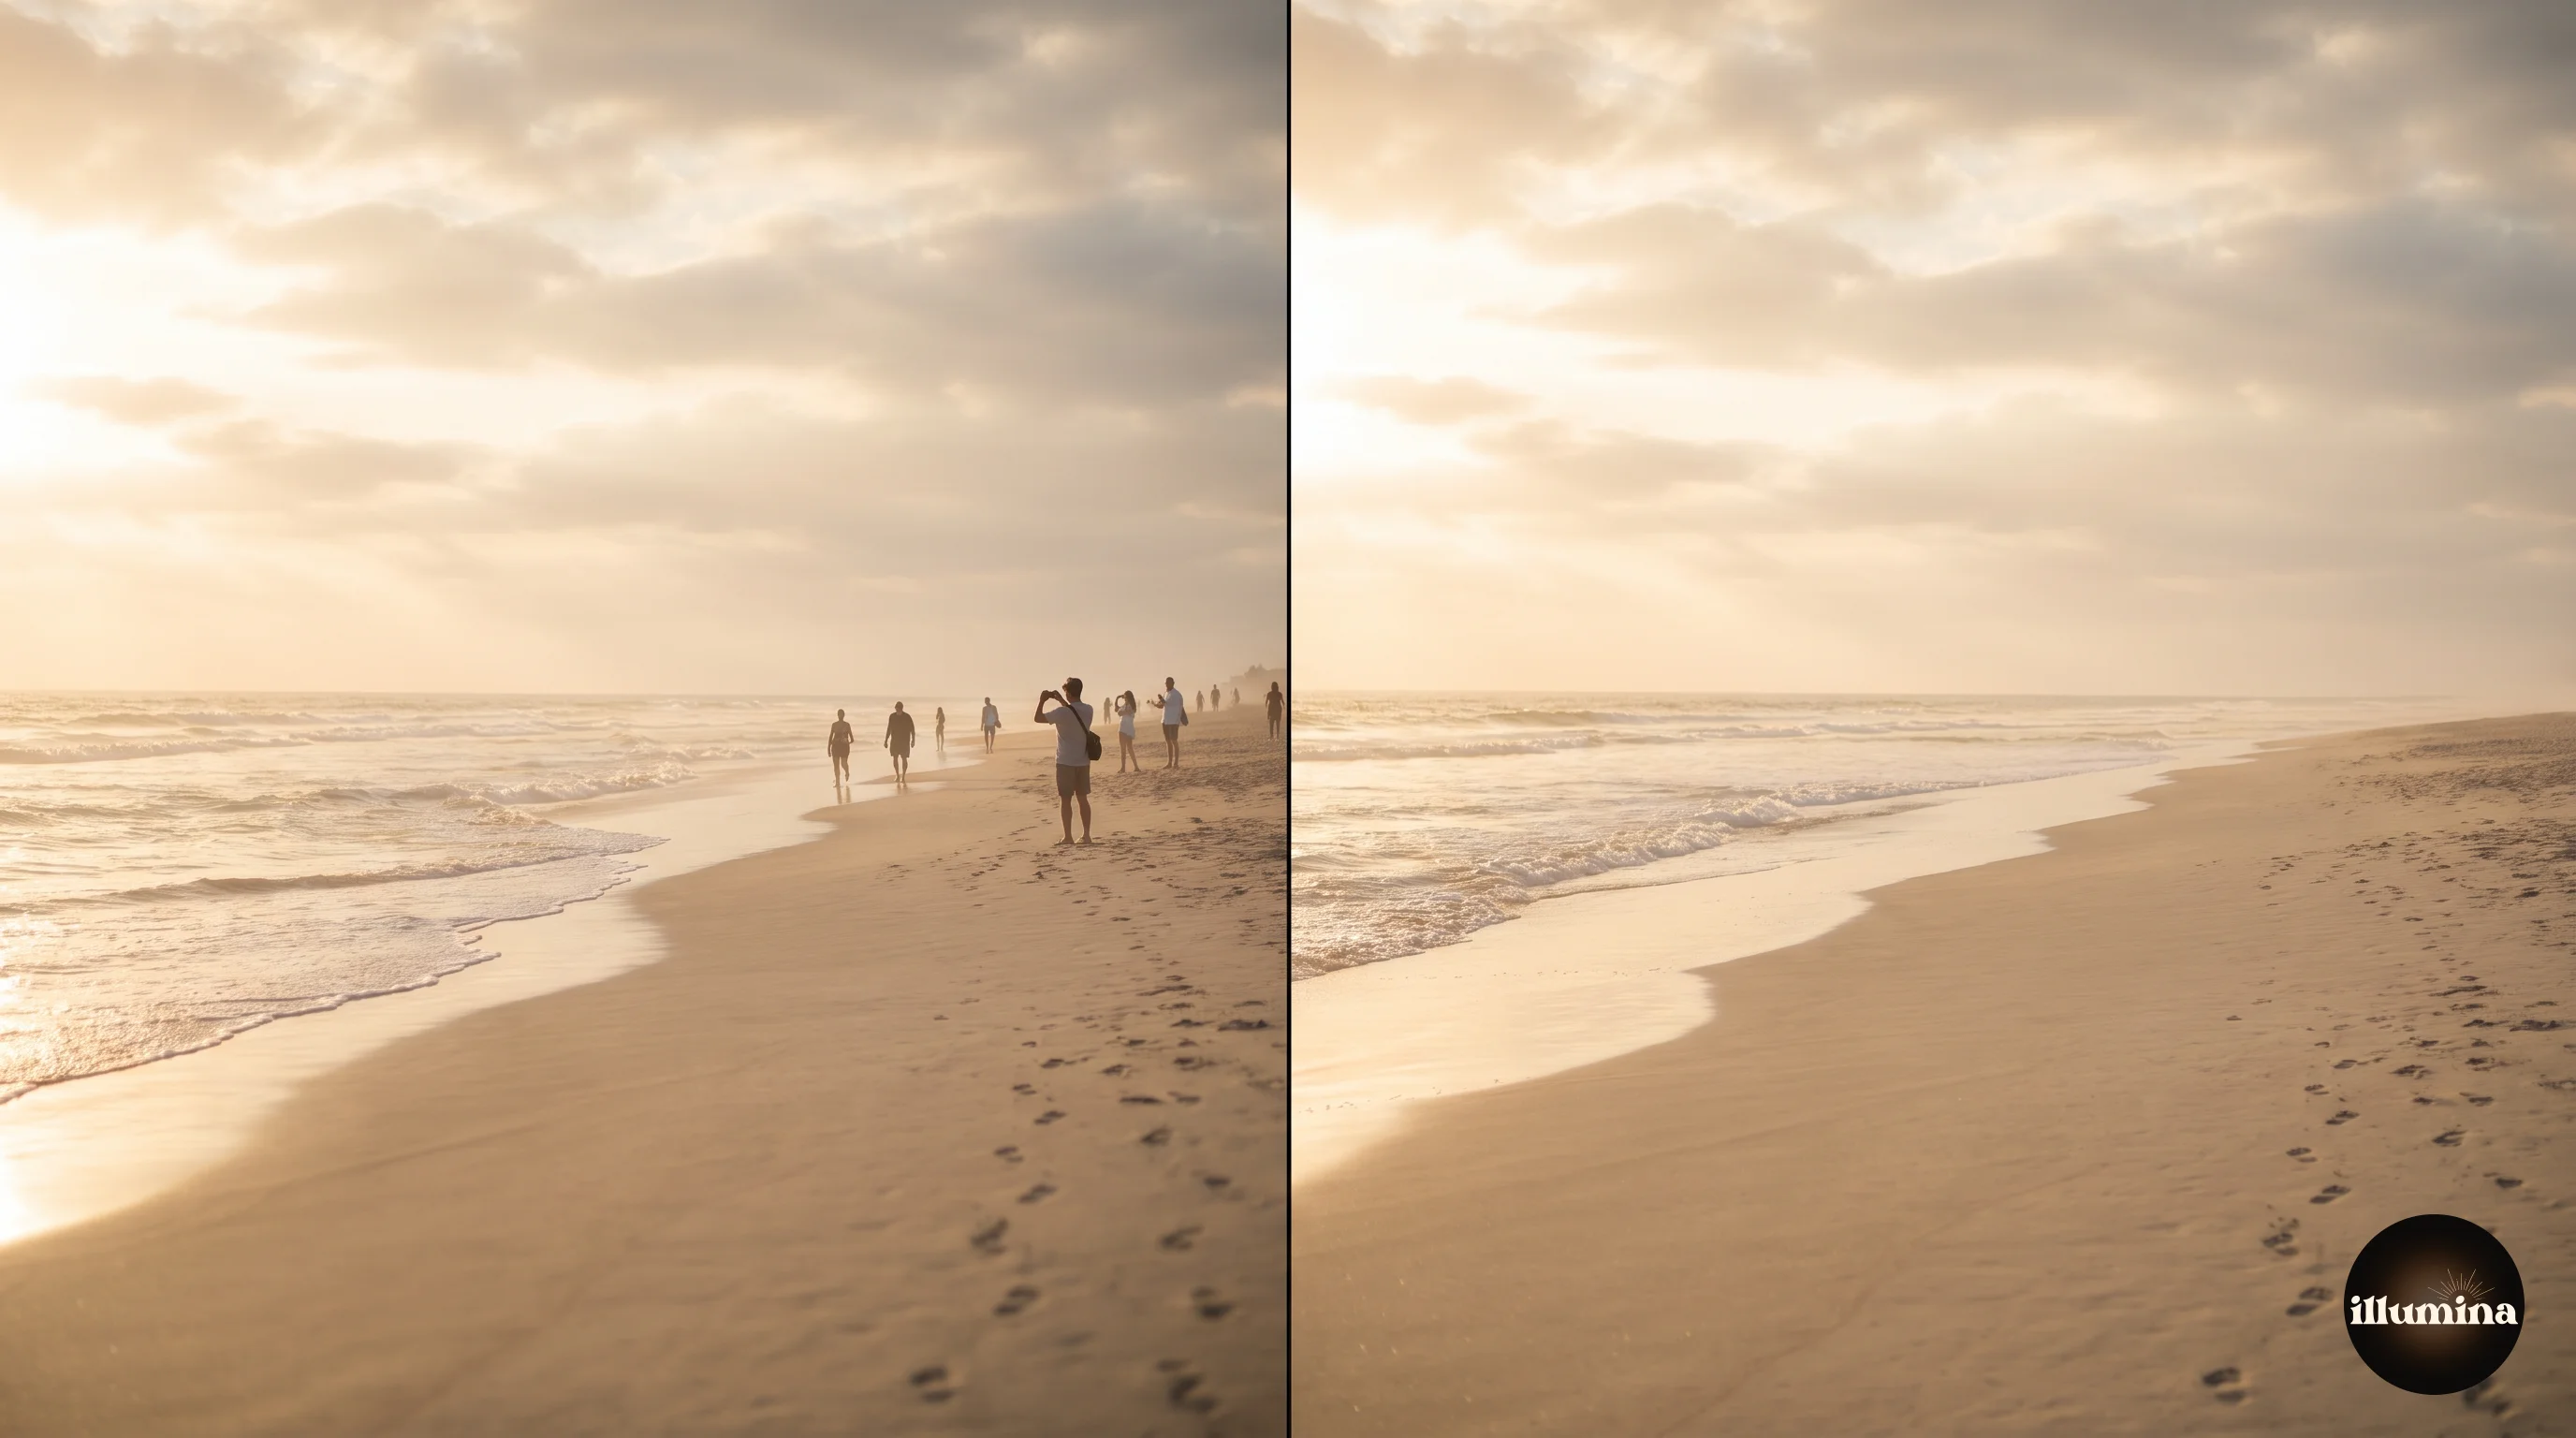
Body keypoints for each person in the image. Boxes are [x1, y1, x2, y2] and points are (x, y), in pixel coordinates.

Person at [1034, 679, 1095, 844]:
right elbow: (1073, 712)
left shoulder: (1062, 712)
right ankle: (1087, 835)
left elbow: (1038, 718)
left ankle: (1068, 836)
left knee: (1066, 800)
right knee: (1083, 799)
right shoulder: (1088, 709)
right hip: (1083, 760)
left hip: (1065, 761)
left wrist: (1042, 700)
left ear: (1068, 692)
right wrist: (1062, 700)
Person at [1149, 677, 1187, 769]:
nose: (1166, 685)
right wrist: (1154, 704)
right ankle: (1169, 763)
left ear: (1173, 683)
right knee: (1168, 741)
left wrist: (1160, 698)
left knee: (1174, 741)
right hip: (1165, 720)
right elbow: (1162, 705)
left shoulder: (1176, 694)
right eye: (1166, 683)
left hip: (1173, 720)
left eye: (1168, 683)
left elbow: (1166, 703)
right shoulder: (1166, 693)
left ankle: (1176, 763)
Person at [885, 701, 916, 785]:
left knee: (904, 758)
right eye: (896, 709)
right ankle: (897, 775)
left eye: (898, 709)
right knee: (895, 758)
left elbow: (912, 729)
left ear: (902, 709)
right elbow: (889, 729)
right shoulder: (892, 716)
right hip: (895, 741)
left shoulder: (907, 717)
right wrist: (886, 740)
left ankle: (903, 776)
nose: (897, 711)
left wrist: (913, 740)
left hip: (904, 741)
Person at [826, 708, 855, 789]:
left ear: (843, 715)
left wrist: (847, 742)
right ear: (838, 715)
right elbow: (830, 737)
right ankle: (837, 783)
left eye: (841, 715)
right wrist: (828, 749)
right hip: (835, 747)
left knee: (843, 763)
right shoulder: (834, 725)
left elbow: (852, 739)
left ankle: (847, 772)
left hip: (844, 747)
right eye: (839, 715)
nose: (840, 716)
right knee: (836, 766)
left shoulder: (847, 725)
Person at [1115, 689, 1140, 772]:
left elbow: (1127, 712)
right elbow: (1117, 710)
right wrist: (1117, 698)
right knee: (1124, 749)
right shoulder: (1125, 705)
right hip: (1123, 727)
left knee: (1129, 748)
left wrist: (1123, 712)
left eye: (1125, 697)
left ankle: (1134, 767)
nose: (1125, 699)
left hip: (1127, 728)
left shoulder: (1131, 706)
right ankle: (1124, 767)